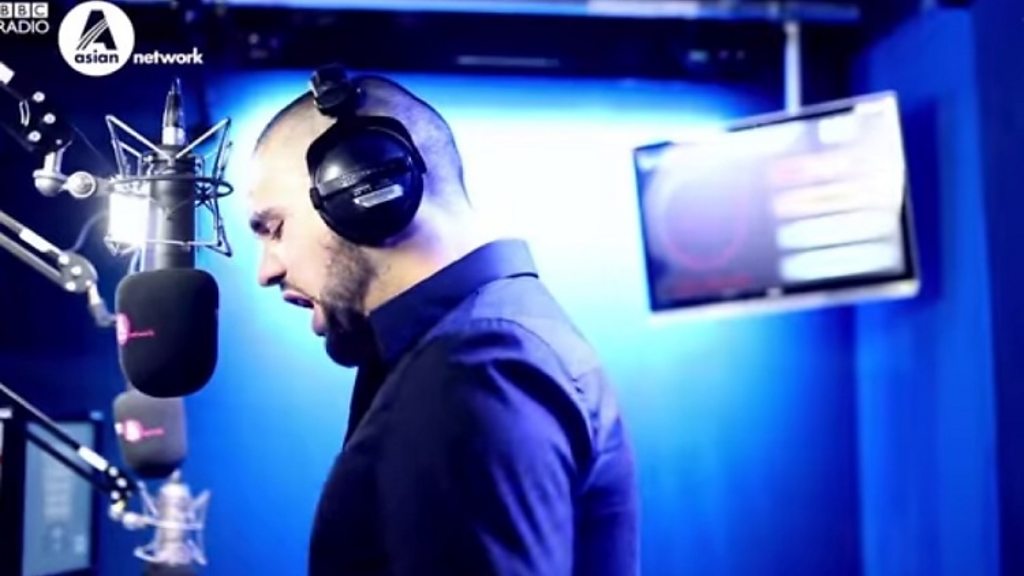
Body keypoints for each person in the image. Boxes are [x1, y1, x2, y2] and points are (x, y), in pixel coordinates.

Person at [246, 65, 638, 576]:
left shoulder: (473, 371)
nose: (267, 270)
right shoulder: (488, 347)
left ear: (364, 184)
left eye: (274, 228)